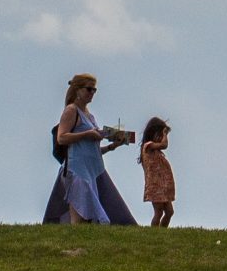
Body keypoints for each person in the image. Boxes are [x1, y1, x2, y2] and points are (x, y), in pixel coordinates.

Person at [52, 73, 134, 225]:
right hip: (76, 170)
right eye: (89, 89)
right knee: (79, 216)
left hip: (90, 171)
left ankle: (82, 245)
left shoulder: (89, 116)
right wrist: (87, 134)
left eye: (94, 90)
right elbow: (61, 137)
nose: (92, 94)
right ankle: (74, 247)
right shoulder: (71, 110)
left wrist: (111, 146)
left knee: (88, 217)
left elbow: (90, 150)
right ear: (78, 90)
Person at [139, 117, 176, 227]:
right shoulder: (148, 146)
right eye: (159, 135)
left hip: (163, 185)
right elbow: (164, 145)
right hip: (155, 186)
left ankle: (162, 231)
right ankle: (154, 233)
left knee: (169, 212)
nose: (161, 138)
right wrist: (165, 134)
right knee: (158, 211)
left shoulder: (157, 152)